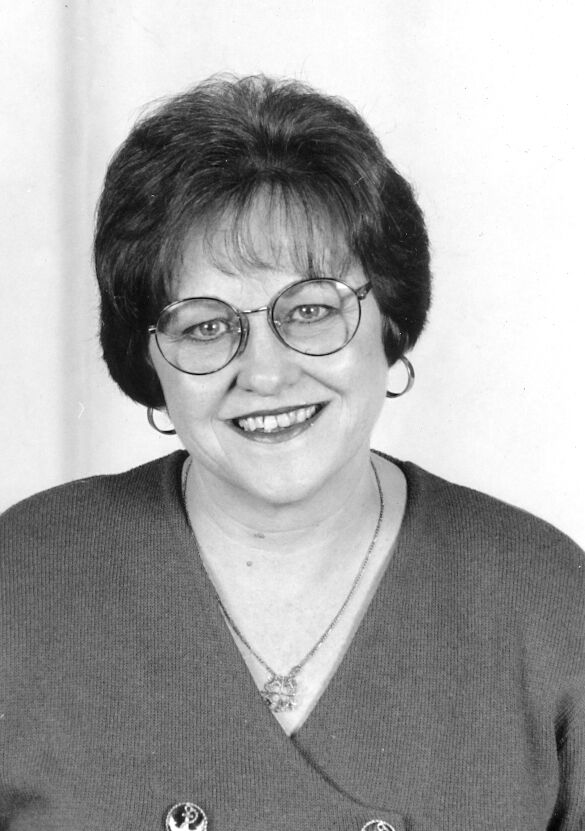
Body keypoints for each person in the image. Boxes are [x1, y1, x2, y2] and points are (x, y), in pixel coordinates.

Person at [1, 75, 583, 831]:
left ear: (390, 322)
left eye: (310, 310)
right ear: (149, 361)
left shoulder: (544, 598)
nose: (267, 374)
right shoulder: (24, 577)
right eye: (205, 326)